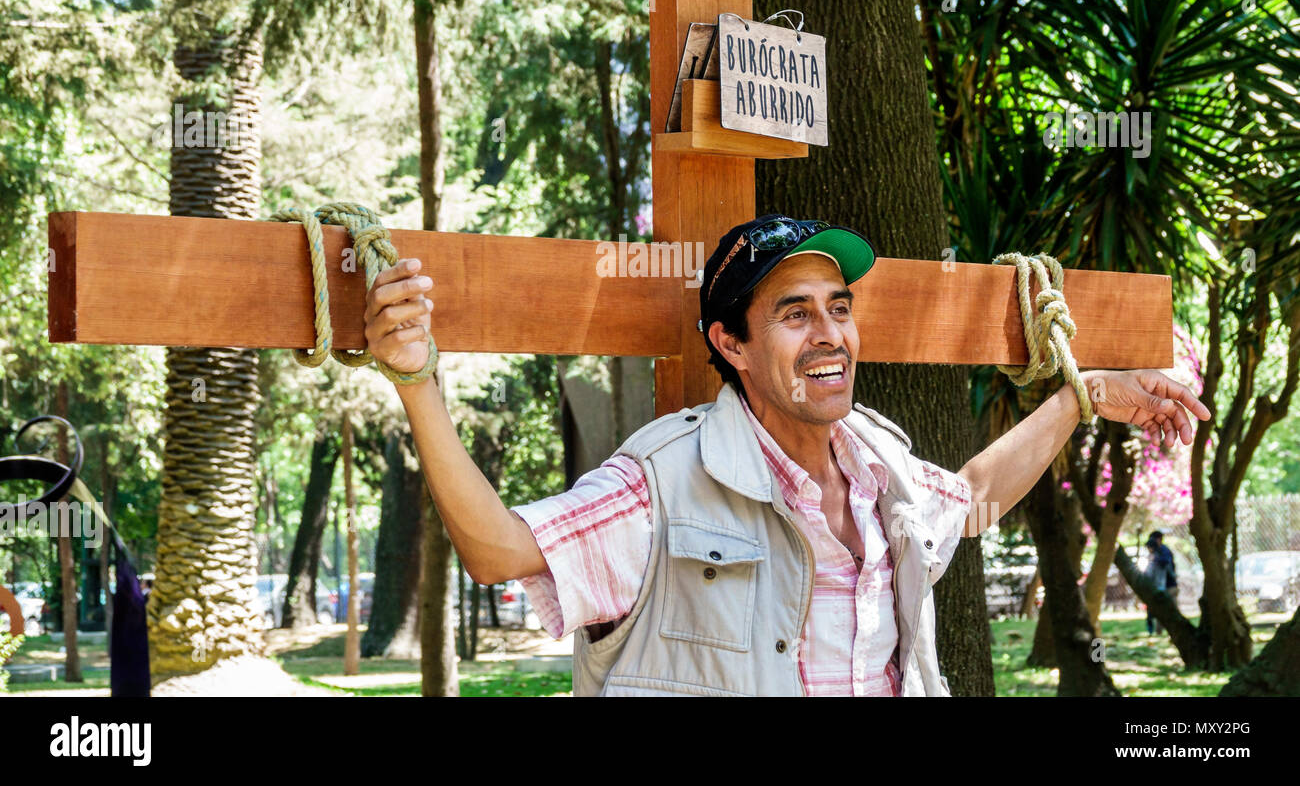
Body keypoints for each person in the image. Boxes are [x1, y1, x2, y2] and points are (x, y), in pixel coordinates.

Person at [364, 213, 1211, 696]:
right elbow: (499, 549)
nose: (829, 334)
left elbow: (973, 494)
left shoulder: (878, 463)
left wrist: (1083, 395)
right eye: (794, 313)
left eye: (838, 308)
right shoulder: (665, 480)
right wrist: (417, 382)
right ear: (731, 343)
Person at [1144, 530, 1178, 635]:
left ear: (1158, 539)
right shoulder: (1154, 552)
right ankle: (1158, 632)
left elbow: (1167, 566)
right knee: (1158, 610)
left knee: (1170, 610)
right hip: (1159, 586)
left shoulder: (1164, 552)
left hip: (1168, 585)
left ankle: (1172, 632)